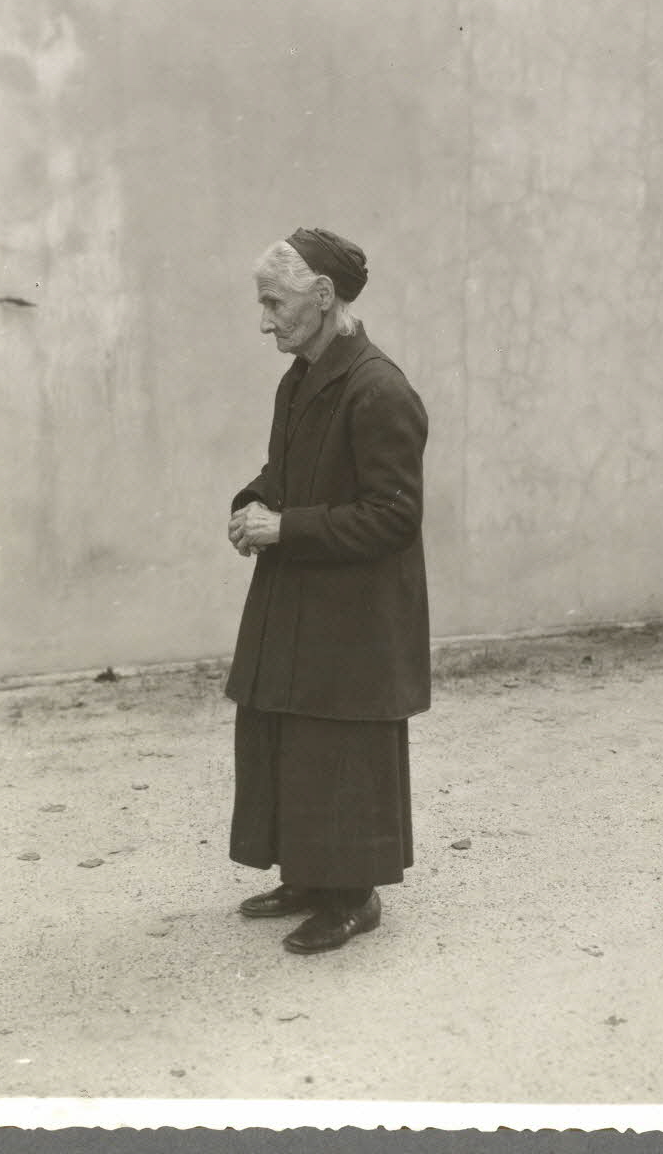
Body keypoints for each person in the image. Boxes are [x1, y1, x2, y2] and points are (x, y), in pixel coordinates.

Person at [225, 226, 430, 954]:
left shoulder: (378, 389)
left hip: (356, 615)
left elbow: (394, 518)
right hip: (301, 597)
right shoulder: (301, 378)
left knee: (339, 748)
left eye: (274, 302)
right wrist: (251, 503)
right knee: (287, 734)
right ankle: (308, 874)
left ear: (320, 297)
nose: (263, 320)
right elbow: (285, 474)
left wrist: (288, 529)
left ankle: (354, 897)